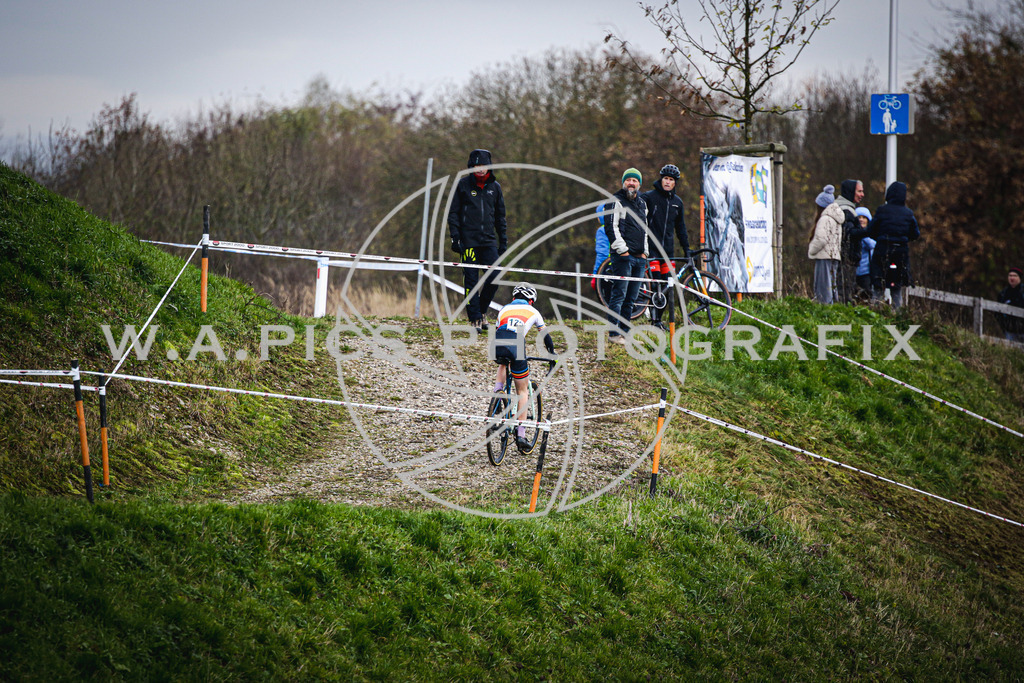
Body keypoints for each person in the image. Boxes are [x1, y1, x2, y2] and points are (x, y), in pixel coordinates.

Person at [448, 149, 507, 331]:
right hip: (469, 242)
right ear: (471, 167)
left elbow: (500, 217)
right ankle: (474, 318)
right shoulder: (462, 185)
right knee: (471, 281)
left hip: (489, 241)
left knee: (494, 278)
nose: (480, 169)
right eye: (476, 166)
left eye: (483, 165)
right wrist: (455, 237)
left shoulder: (495, 187)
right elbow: (453, 213)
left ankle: (481, 312)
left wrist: (503, 241)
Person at [492, 283, 555, 451]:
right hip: (517, 344)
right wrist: (552, 353)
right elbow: (545, 336)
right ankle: (521, 434)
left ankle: (497, 394)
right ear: (531, 301)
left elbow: (498, 328)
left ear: (513, 298)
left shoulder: (504, 309)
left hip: (498, 341)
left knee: (504, 363)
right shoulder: (534, 312)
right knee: (522, 391)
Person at [641, 164, 689, 329]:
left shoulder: (678, 202)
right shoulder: (649, 197)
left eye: (671, 180)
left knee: (667, 286)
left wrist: (686, 249)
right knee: (656, 285)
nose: (668, 182)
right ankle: (653, 319)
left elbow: (681, 229)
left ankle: (658, 321)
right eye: (666, 179)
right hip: (652, 248)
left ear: (675, 183)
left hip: (668, 251)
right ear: (661, 179)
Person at [604, 168, 649, 344]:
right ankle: (614, 334)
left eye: (635, 180)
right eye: (628, 180)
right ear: (623, 182)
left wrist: (645, 252)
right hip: (622, 257)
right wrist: (623, 250)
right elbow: (611, 227)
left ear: (639, 184)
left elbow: (645, 230)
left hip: (639, 258)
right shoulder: (615, 201)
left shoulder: (642, 204)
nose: (631, 183)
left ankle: (625, 333)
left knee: (631, 298)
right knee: (619, 295)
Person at [868, 181, 920, 308]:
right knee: (896, 287)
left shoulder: (882, 210)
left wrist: (880, 238)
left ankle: (875, 313)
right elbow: (915, 233)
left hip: (882, 250)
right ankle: (898, 316)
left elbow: (871, 230)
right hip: (900, 253)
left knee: (878, 284)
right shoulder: (908, 214)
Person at [808, 184, 844, 304]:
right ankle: (833, 308)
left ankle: (824, 309)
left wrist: (811, 250)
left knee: (823, 286)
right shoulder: (836, 219)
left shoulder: (824, 219)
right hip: (834, 256)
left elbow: (821, 239)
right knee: (832, 285)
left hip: (823, 256)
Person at [835, 179, 869, 302]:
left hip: (845, 260)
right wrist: (868, 231)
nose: (862, 195)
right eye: (859, 191)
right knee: (844, 294)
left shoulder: (847, 208)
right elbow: (849, 235)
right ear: (851, 192)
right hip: (846, 261)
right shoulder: (846, 211)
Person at [853, 207, 877, 301]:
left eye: (864, 217)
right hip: (854, 271)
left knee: (866, 295)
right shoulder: (853, 233)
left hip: (866, 272)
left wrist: (862, 234)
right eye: (859, 217)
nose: (861, 219)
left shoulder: (870, 235)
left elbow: (872, 245)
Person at [996, 266, 1024, 343]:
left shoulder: (1022, 293)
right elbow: (998, 312)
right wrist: (1004, 326)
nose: (1012, 278)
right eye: (1010, 275)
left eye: (1014, 276)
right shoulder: (1003, 294)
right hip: (1010, 331)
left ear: (1019, 278)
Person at [591, 203, 610, 304]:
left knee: (609, 299)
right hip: (623, 266)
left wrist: (596, 275)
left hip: (607, 269)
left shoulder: (602, 231)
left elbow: (602, 254)